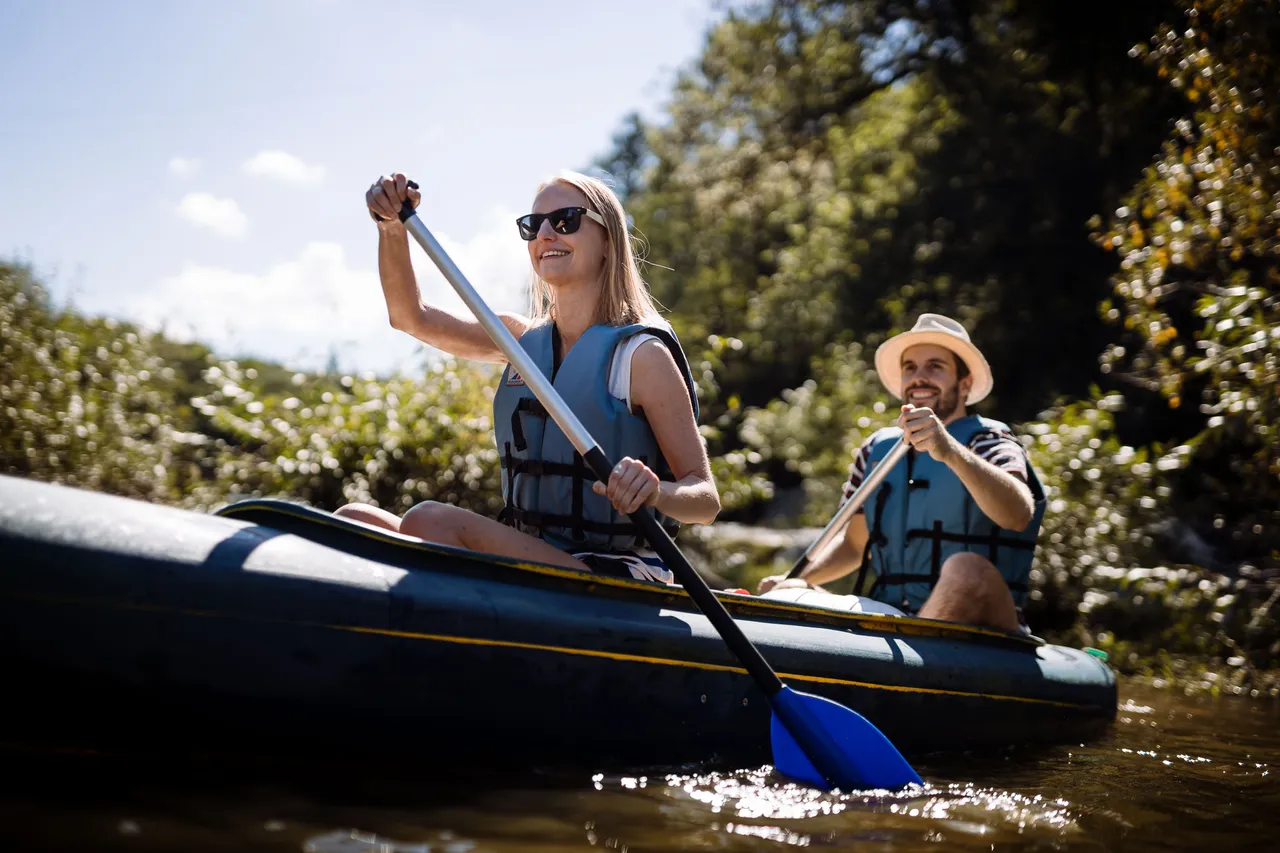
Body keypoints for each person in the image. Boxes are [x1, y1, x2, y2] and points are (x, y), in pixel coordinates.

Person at [336, 171, 720, 583]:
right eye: (533, 225)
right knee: (353, 520)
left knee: (429, 520)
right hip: (538, 554)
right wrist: (391, 227)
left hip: (616, 572)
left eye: (567, 220)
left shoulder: (641, 356)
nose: (546, 234)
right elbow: (410, 317)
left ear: (608, 240)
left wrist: (655, 492)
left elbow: (705, 500)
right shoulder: (517, 340)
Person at [757, 314, 1046, 632]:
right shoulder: (876, 450)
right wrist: (795, 582)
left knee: (966, 570)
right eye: (910, 367)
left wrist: (949, 451)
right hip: (891, 615)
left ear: (964, 384)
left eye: (935, 366)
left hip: (984, 624)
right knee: (795, 591)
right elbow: (854, 546)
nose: (919, 378)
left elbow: (1018, 514)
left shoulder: (989, 439)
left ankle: (917, 640)